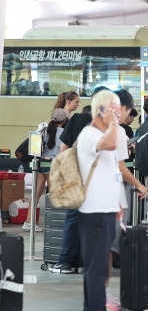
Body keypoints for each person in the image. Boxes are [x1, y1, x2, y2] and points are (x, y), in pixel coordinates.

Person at [51, 86, 109, 274]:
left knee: (73, 219)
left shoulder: (77, 119)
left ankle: (65, 262)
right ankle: (87, 264)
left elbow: (63, 150)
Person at [76, 89, 122, 311]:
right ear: (101, 110)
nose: (119, 113)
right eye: (115, 108)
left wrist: (117, 204)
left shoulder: (101, 135)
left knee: (99, 266)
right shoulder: (90, 134)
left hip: (105, 209)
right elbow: (112, 143)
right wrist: (113, 122)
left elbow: (110, 172)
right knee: (97, 269)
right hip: (93, 211)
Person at [105, 90, 147, 310]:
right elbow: (121, 168)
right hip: (110, 199)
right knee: (108, 249)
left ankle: (95, 294)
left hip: (89, 199)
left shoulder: (91, 128)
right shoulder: (118, 131)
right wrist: (139, 184)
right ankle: (101, 296)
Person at [22, 108, 69, 232]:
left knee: (36, 194)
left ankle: (28, 222)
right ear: (64, 120)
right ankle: (56, 223)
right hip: (53, 166)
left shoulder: (44, 130)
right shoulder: (64, 133)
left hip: (41, 164)